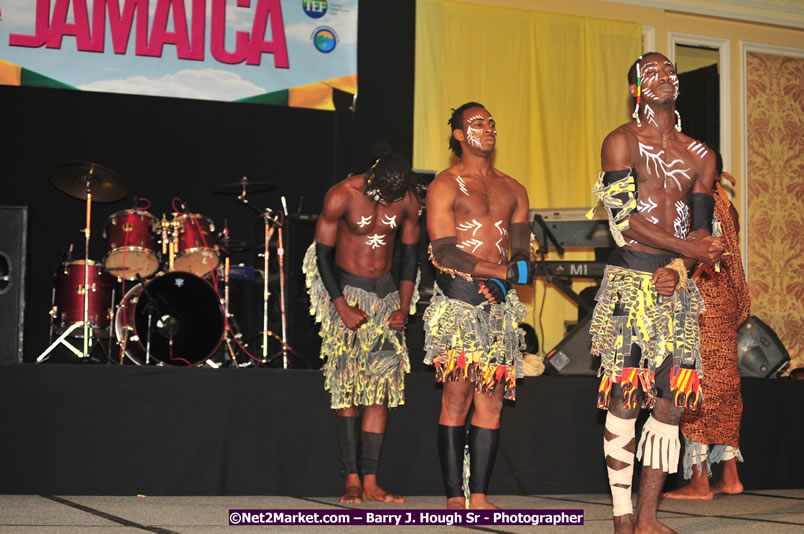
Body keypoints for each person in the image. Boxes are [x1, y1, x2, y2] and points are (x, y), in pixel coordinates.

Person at [589, 52, 725, 533]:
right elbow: (625, 222)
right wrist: (683, 252)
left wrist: (682, 266)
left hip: (677, 290)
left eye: (669, 71)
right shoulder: (620, 143)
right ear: (635, 90)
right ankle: (622, 516)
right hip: (631, 281)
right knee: (626, 397)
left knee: (671, 404)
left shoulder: (702, 155)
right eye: (650, 72)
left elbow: (705, 236)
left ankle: (648, 517)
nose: (663, 77)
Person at [423, 102, 533, 510]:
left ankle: (481, 495)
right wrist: (496, 272)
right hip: (459, 301)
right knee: (457, 397)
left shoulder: (514, 188)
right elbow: (444, 251)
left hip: (498, 308)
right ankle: (455, 495)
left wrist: (508, 282)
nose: (488, 128)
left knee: (492, 401)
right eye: (477, 123)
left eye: (491, 122)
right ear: (458, 134)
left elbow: (522, 255)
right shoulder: (445, 184)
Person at [302, 146, 422, 504]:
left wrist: (403, 306)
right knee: (347, 389)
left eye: (393, 196)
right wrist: (340, 306)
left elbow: (410, 255)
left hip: (386, 298)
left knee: (380, 392)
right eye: (382, 193)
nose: (386, 200)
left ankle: (371, 480)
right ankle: (351, 479)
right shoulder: (342, 194)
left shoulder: (409, 201)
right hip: (347, 294)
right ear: (372, 176)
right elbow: (322, 254)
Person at [663, 163, 750, 500]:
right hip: (725, 298)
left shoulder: (696, 209)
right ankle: (730, 476)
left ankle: (699, 481)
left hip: (700, 300)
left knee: (693, 385)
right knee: (725, 389)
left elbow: (689, 257)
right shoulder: (729, 208)